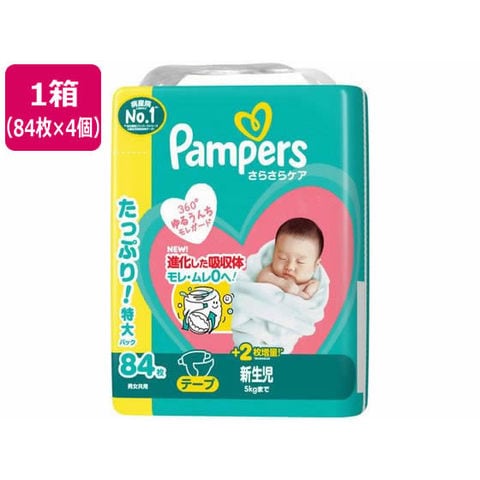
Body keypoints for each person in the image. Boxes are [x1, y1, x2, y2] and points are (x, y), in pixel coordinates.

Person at [256, 217, 324, 300]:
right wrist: (282, 284)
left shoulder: (312, 284)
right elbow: (261, 277)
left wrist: (296, 291)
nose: (290, 267)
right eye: (282, 258)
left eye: (300, 262)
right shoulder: (272, 272)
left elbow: (306, 302)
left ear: (315, 265)